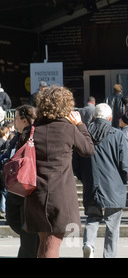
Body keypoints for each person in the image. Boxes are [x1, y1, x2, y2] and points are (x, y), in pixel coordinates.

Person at [24, 86, 95, 258]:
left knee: (43, 243)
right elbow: (88, 149)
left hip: (35, 194)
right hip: (60, 194)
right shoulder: (68, 129)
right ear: (66, 106)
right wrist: (80, 125)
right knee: (53, 245)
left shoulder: (30, 131)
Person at [73, 103, 128, 258]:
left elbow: (75, 162)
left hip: (92, 184)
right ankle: (109, 255)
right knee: (113, 225)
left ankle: (88, 245)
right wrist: (124, 181)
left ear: (94, 117)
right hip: (113, 186)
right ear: (110, 118)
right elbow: (124, 164)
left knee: (92, 218)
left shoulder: (84, 134)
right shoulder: (118, 135)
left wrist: (83, 178)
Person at [4, 105, 39, 257]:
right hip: (14, 189)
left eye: (16, 118)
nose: (14, 122)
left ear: (24, 121)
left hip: (27, 188)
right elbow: (7, 155)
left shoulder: (34, 136)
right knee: (12, 219)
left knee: (28, 233)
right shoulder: (16, 137)